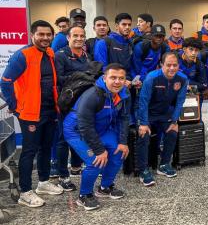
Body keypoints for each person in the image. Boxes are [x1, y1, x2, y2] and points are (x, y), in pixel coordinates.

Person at [1, 20, 64, 207]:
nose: (45, 38)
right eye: (41, 34)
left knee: (46, 147)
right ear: (32, 35)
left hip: (49, 109)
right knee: (29, 151)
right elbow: (5, 81)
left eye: (48, 34)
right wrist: (15, 105)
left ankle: (43, 182)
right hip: (29, 113)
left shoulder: (50, 53)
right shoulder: (22, 55)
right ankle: (25, 192)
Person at [63, 63, 130, 210]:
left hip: (102, 128)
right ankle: (84, 195)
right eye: (113, 77)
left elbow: (124, 118)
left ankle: (105, 187)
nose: (117, 82)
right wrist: (99, 150)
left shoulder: (124, 93)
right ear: (105, 78)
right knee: (96, 161)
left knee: (119, 153)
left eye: (121, 78)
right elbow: (84, 125)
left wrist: (123, 142)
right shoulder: (93, 95)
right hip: (77, 131)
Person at [136, 52, 188, 186]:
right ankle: (143, 170)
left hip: (165, 114)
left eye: (175, 65)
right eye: (168, 65)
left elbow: (180, 101)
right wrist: (144, 123)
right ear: (161, 65)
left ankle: (164, 164)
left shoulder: (182, 79)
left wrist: (175, 120)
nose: (172, 68)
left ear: (179, 66)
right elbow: (143, 101)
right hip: (148, 113)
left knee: (172, 132)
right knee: (144, 135)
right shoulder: (151, 78)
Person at [52, 25, 93, 189]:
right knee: (63, 139)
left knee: (80, 134)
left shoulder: (86, 56)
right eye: (75, 35)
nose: (79, 38)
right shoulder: (60, 55)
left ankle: (76, 167)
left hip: (84, 103)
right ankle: (63, 175)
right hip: (66, 104)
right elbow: (60, 79)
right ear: (68, 37)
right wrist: (82, 77)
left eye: (82, 36)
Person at [94, 13, 133, 80]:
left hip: (128, 83)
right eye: (124, 24)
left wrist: (134, 80)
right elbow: (102, 69)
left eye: (129, 25)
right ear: (117, 26)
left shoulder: (130, 43)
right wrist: (122, 80)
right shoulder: (103, 43)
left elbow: (132, 67)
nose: (127, 27)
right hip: (111, 84)